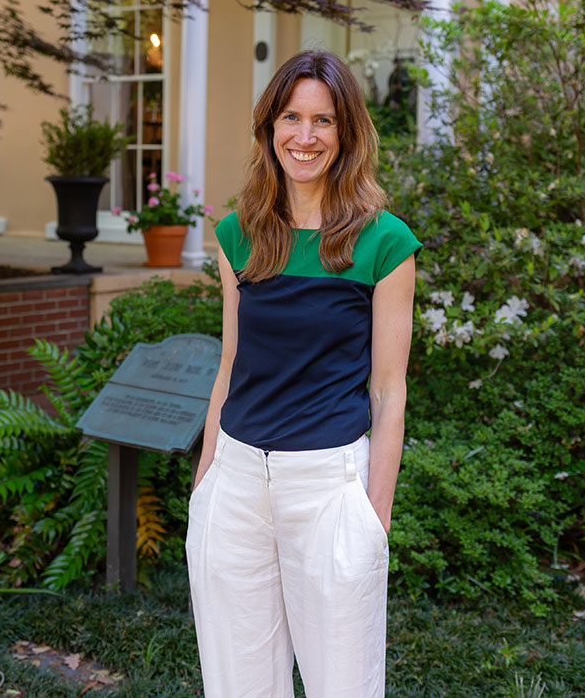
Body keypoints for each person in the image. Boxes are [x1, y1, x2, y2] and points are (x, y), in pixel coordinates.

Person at [185, 50, 422, 698]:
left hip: (328, 491)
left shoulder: (384, 243)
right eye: (291, 117)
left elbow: (389, 388)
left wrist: (376, 517)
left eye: (322, 120)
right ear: (270, 127)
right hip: (234, 488)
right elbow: (232, 360)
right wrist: (206, 483)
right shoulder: (240, 234)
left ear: (346, 132)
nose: (305, 136)